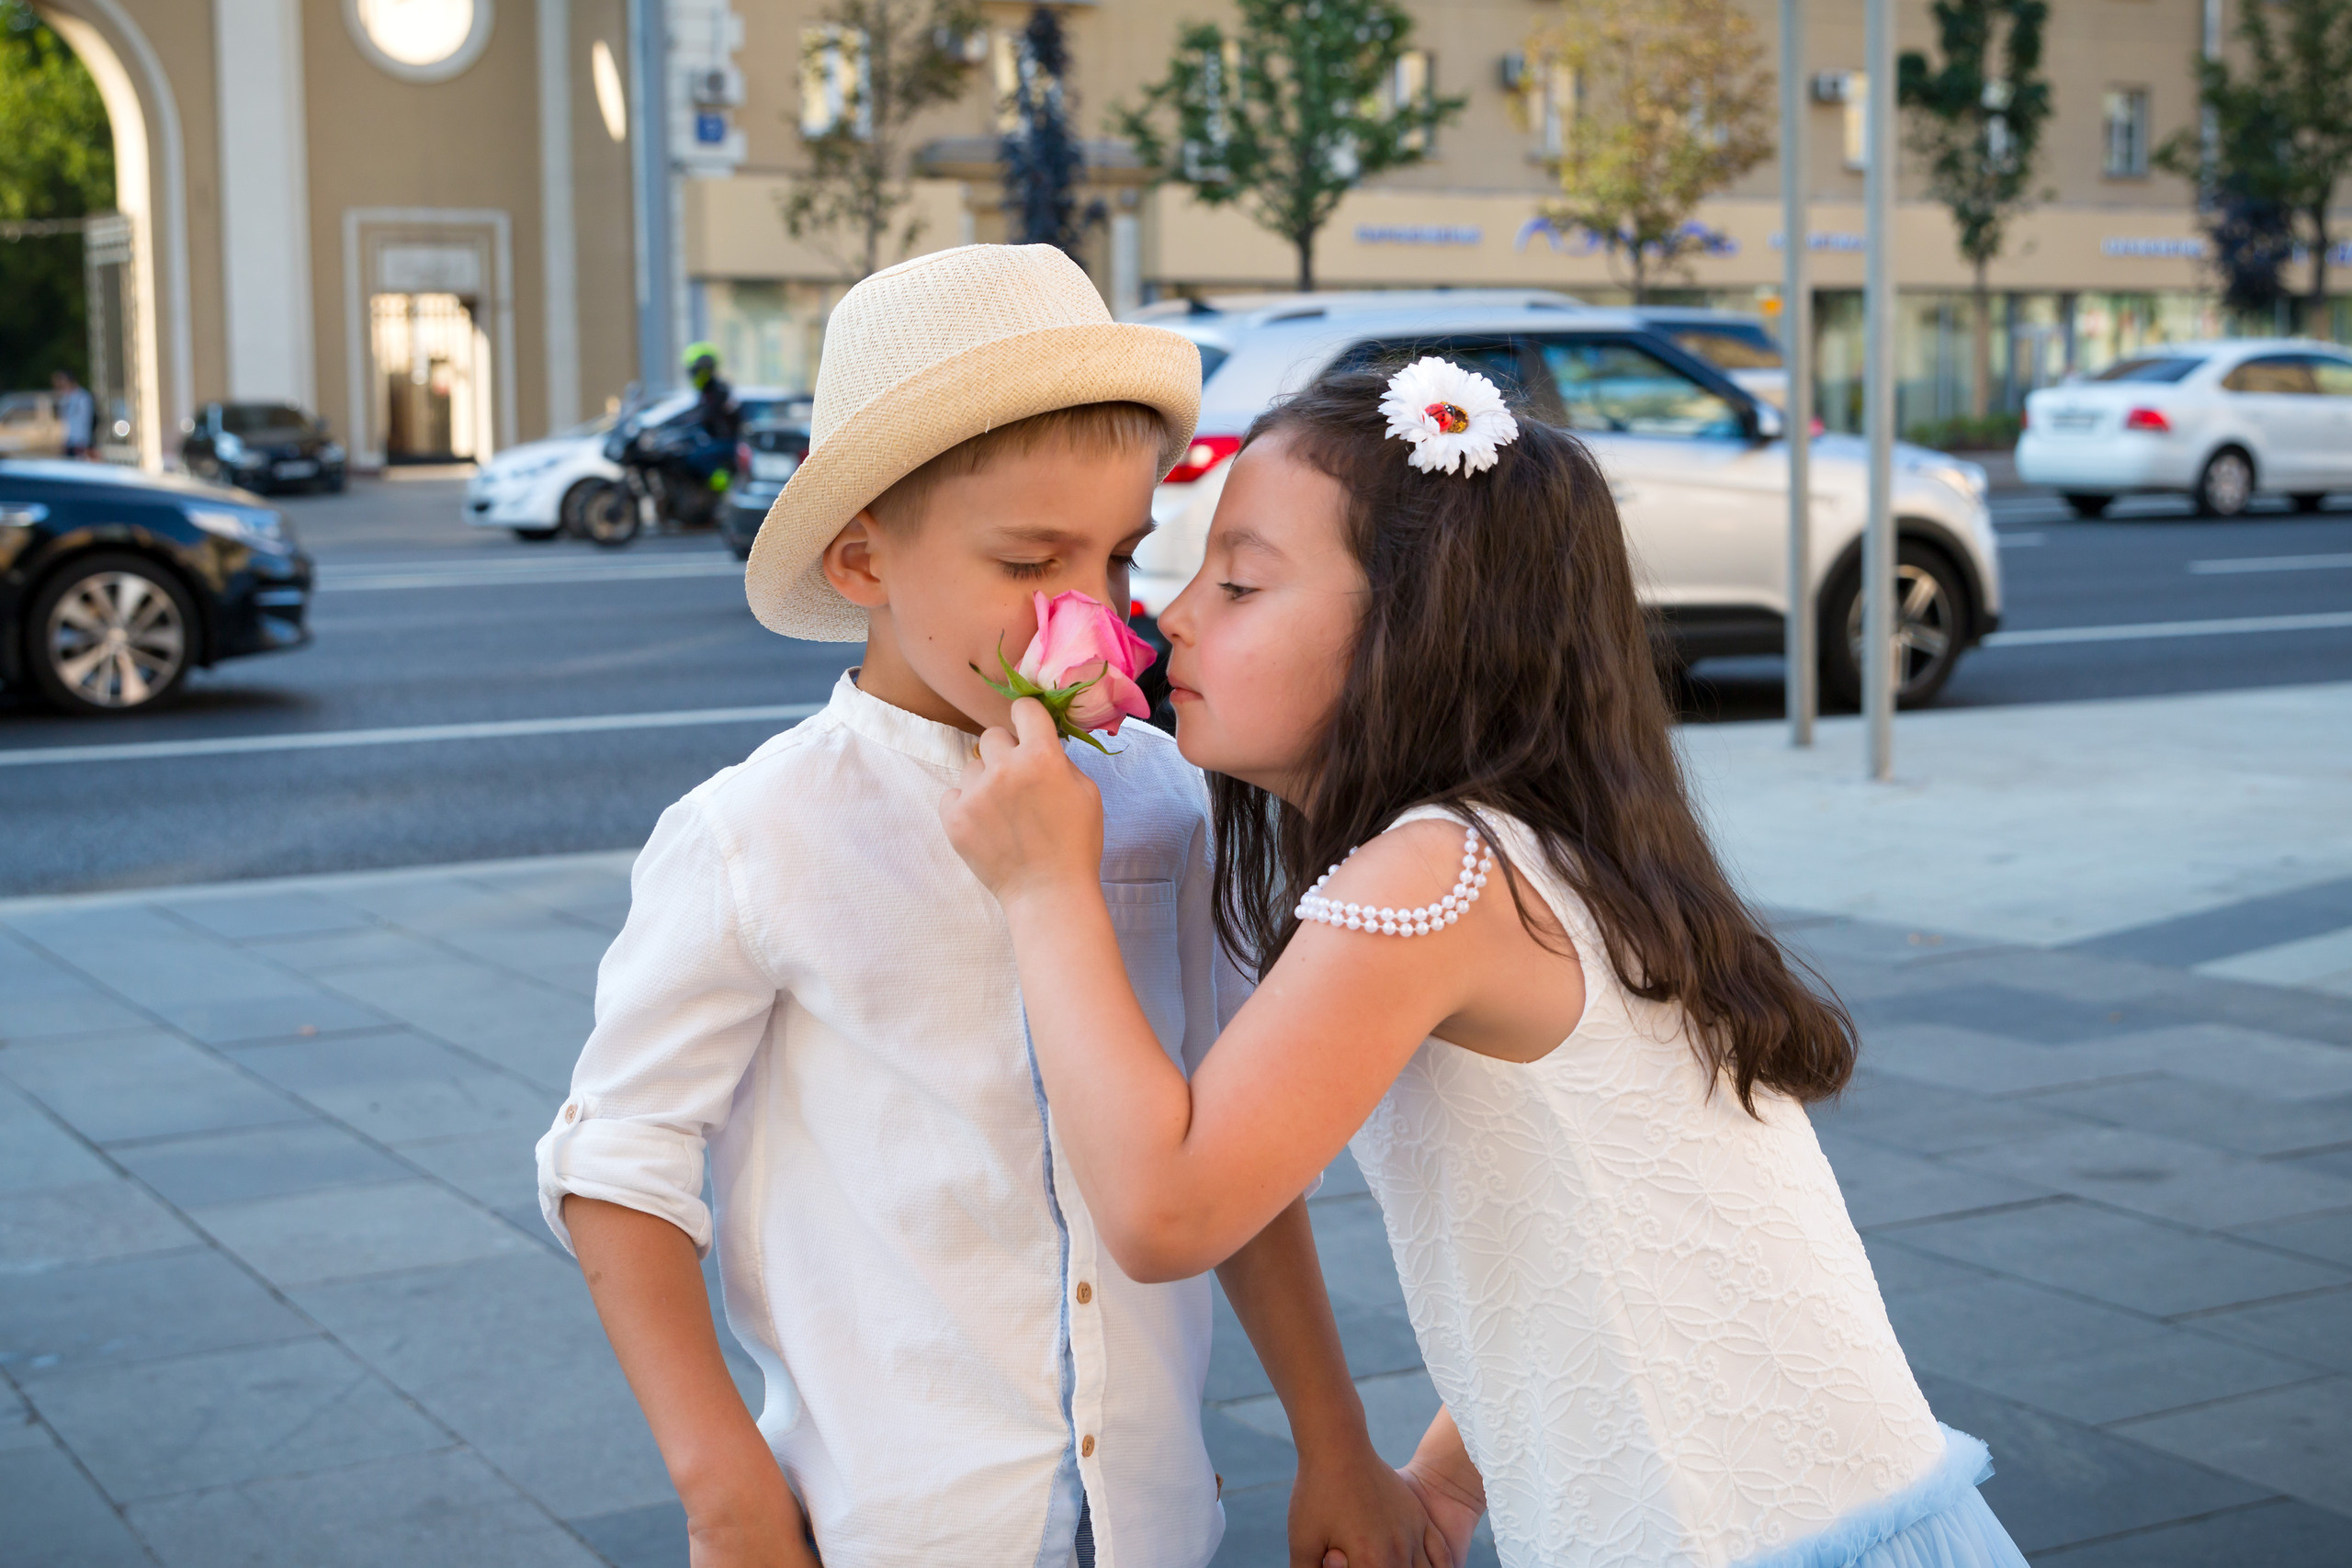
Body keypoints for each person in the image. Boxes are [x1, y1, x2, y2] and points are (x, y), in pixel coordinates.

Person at [942, 358, 2034, 1568]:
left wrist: (1046, 887)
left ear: (1420, 632)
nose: (1174, 612)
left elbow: (1166, 1209)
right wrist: (1456, 1478)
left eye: (1241, 579)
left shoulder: (1437, 875)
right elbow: (1625, 1233)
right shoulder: (1552, 853)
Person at [536, 248, 1443, 1568]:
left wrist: (1330, 1431)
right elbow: (618, 1156)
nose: (1091, 608)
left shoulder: (1158, 798)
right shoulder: (759, 829)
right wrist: (719, 1473)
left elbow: (1226, 1148)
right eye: (1031, 558)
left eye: (1120, 555)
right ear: (862, 559)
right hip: (894, 1516)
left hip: (1149, 1513)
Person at [682, 341, 742, 490]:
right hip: (718, 441)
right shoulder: (707, 392)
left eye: (694, 371)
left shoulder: (719, 391)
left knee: (696, 457)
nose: (692, 376)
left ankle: (724, 491)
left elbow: (706, 415)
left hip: (729, 443)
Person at [53, 370, 94, 459]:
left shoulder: (82, 398)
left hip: (79, 443)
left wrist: (83, 443)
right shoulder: (65, 399)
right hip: (69, 442)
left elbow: (85, 421)